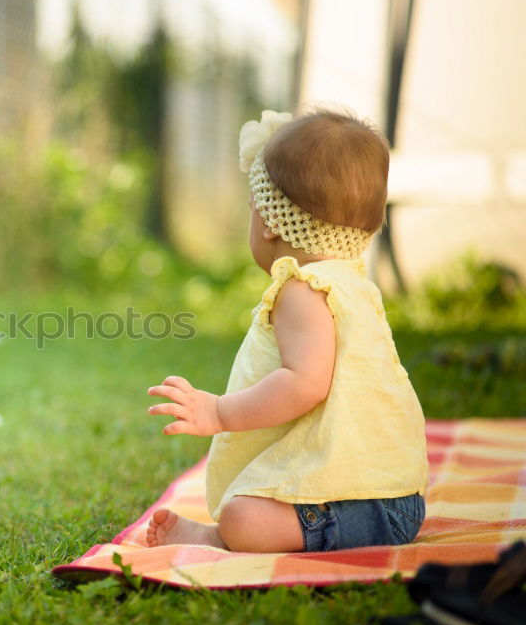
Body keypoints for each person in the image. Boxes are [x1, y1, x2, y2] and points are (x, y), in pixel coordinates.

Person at [146, 109, 428, 553]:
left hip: (366, 505)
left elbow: (305, 383)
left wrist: (219, 412)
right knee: (257, 499)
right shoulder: (353, 284)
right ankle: (226, 533)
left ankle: (221, 538)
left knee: (244, 514)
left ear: (268, 222)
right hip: (394, 494)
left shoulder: (301, 290)